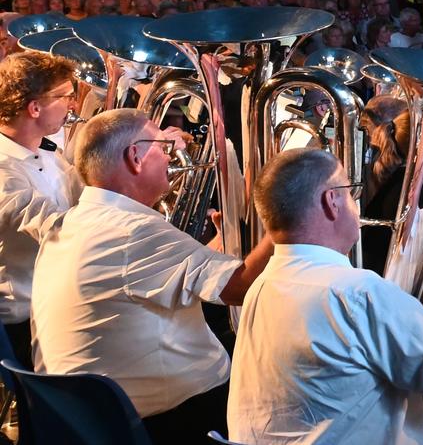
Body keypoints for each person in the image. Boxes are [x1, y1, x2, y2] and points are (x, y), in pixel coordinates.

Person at [227, 147, 423, 444]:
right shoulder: (357, 294)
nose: (357, 205)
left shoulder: (262, 285)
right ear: (332, 201)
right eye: (352, 193)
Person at [33, 108, 276, 438]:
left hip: (84, 417)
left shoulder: (75, 221)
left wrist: (217, 245)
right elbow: (242, 289)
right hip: (164, 423)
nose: (170, 157)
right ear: (135, 156)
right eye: (163, 148)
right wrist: (282, 224)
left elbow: (142, 275)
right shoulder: (133, 232)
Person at [0, 51, 83, 362]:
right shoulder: (4, 174)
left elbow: (86, 197)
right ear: (34, 108)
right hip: (26, 321)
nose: (73, 105)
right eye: (65, 96)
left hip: (55, 301)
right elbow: (63, 231)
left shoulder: (46, 152)